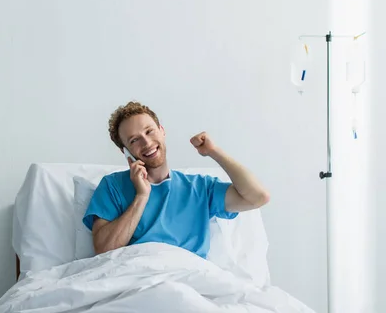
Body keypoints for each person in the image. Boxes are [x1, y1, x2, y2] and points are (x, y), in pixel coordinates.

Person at [83, 101, 270, 258]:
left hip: (190, 280)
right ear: (125, 152)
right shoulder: (113, 186)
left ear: (162, 130)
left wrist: (213, 152)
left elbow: (258, 197)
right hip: (139, 279)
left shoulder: (199, 188)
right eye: (134, 140)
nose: (146, 143)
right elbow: (104, 250)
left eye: (149, 131)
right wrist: (141, 196)